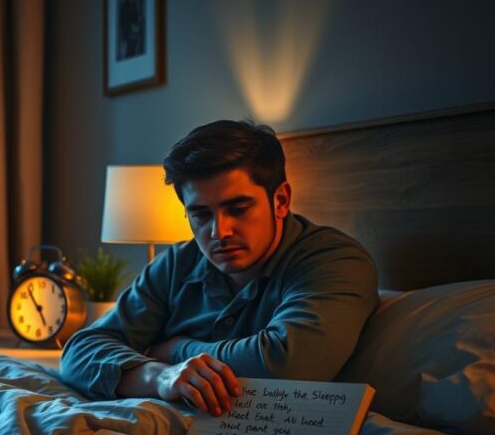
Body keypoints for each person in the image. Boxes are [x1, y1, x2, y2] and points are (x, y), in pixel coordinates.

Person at [60, 119, 379, 416]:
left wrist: (174, 349)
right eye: (200, 215)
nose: (219, 232)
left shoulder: (335, 261)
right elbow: (79, 351)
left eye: (238, 209)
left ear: (280, 201)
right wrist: (161, 376)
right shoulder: (176, 264)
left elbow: (287, 365)